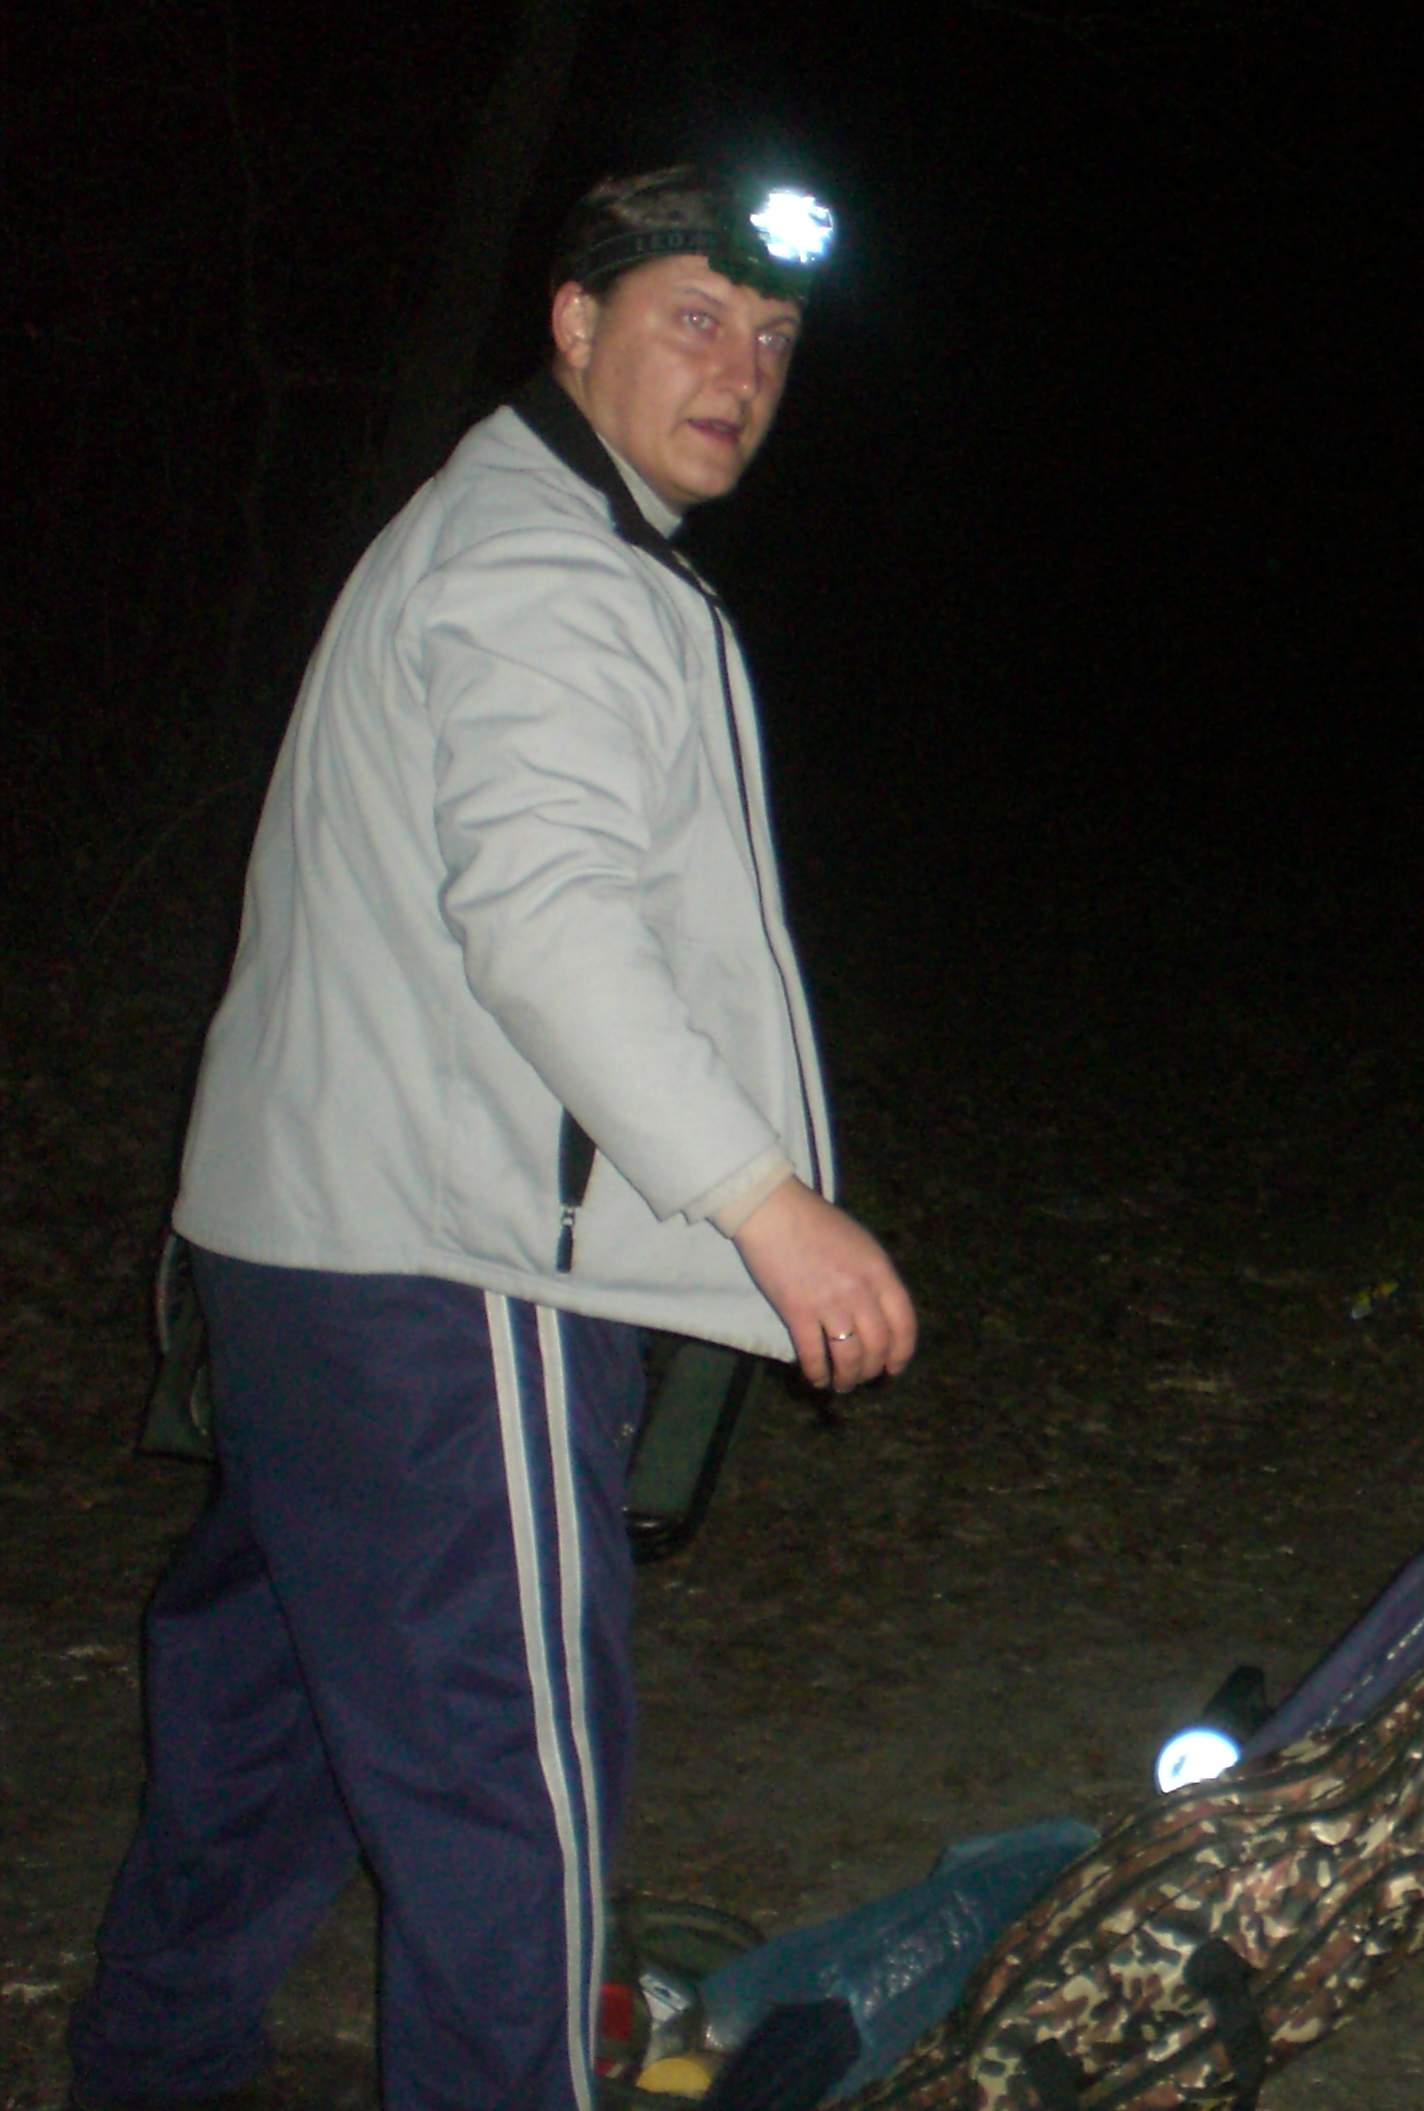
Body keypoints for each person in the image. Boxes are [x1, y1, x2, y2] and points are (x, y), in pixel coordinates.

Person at [66, 166, 915, 2111]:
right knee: (506, 1791)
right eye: (693, 319)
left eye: (773, 340)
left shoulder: (492, 529)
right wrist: (764, 1204)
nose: (740, 370)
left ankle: (153, 2069)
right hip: (452, 1284)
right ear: (573, 324)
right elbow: (545, 926)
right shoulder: (550, 573)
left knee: (272, 1738)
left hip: (305, 1255)